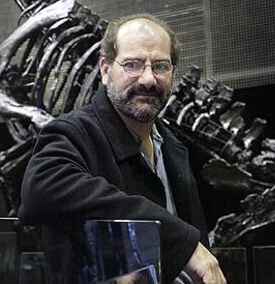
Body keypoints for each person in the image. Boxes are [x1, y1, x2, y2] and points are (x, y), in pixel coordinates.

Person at [19, 14, 226, 284]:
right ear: (106, 71)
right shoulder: (72, 132)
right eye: (133, 65)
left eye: (161, 66)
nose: (149, 80)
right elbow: (40, 191)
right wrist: (178, 241)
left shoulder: (174, 147)